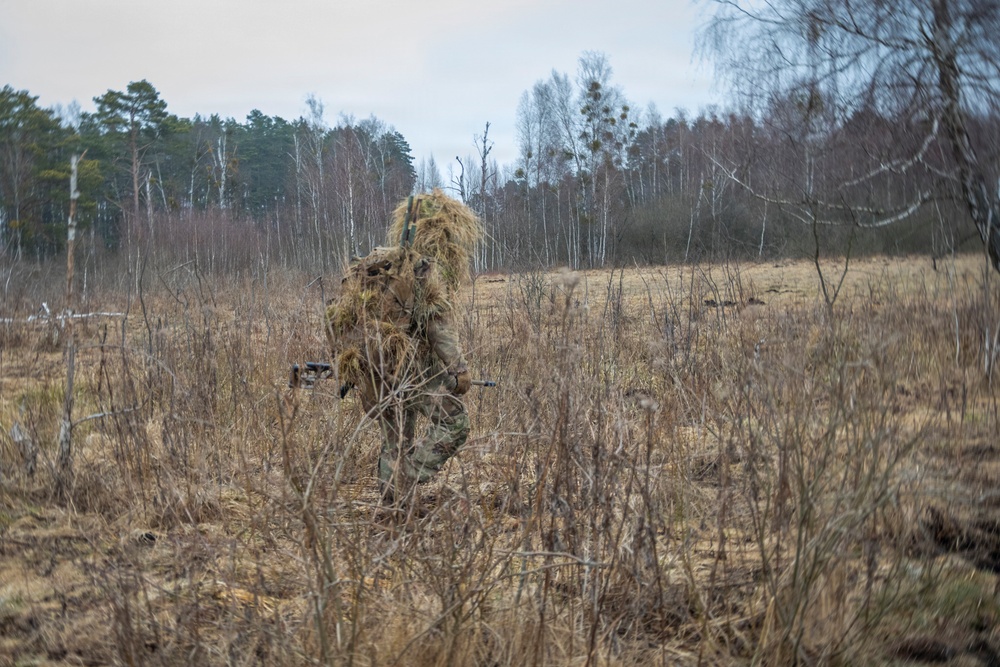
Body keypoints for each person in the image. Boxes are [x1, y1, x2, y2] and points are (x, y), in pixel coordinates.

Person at [325, 191, 481, 505]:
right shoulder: (422, 268)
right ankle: (406, 476)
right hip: (410, 369)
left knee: (394, 441)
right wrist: (459, 370)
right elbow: (438, 325)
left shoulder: (376, 267)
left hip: (373, 369)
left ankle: (392, 507)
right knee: (455, 422)